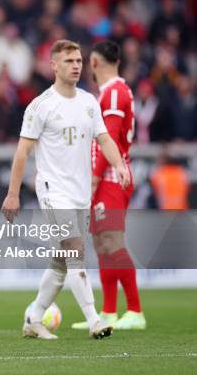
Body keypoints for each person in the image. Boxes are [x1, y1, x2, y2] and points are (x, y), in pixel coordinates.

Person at [1, 40, 130, 340]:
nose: (76, 65)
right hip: (52, 190)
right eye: (69, 60)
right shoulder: (41, 106)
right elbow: (22, 152)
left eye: (79, 61)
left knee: (61, 262)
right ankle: (94, 319)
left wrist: (120, 165)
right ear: (54, 65)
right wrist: (13, 192)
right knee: (75, 251)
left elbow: (105, 139)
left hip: (80, 193)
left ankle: (33, 318)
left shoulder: (88, 102)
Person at [71, 40, 146, 331]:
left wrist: (95, 177)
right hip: (106, 179)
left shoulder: (114, 93)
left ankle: (136, 311)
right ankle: (108, 312)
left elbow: (109, 139)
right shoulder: (110, 92)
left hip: (111, 179)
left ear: (93, 63)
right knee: (103, 246)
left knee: (113, 243)